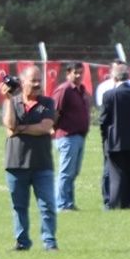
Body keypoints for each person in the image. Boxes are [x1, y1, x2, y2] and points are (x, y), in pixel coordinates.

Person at [1, 66, 59, 251]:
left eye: (39, 81)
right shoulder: (12, 102)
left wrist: (21, 129)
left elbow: (45, 127)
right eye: (32, 81)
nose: (37, 85)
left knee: (47, 205)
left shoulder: (47, 103)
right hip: (16, 163)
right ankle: (22, 242)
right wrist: (9, 99)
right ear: (22, 82)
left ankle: (49, 242)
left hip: (42, 163)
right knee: (19, 206)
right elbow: (9, 126)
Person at [99, 63, 130, 209]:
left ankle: (118, 203)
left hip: (114, 140)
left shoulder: (109, 95)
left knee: (117, 174)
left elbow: (104, 120)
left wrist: (104, 137)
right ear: (128, 76)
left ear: (114, 77)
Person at [51, 62, 90, 212]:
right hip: (67, 136)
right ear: (68, 73)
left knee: (73, 172)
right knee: (65, 172)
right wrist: (53, 129)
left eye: (81, 72)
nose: (79, 75)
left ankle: (69, 202)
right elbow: (54, 112)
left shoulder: (81, 90)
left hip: (79, 137)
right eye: (76, 73)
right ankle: (61, 204)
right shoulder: (64, 90)